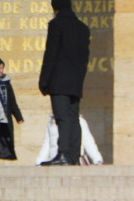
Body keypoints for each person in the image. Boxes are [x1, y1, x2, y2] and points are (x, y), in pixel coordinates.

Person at [38, 0, 89, 166]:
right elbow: (85, 59)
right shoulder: (82, 28)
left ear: (55, 9)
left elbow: (51, 53)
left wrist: (44, 80)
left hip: (59, 80)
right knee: (73, 118)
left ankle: (63, 154)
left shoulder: (56, 24)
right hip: (75, 81)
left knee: (63, 118)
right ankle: (73, 156)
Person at [36, 113, 102, 165]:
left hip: (75, 160)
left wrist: (97, 159)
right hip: (55, 161)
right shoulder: (51, 123)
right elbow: (46, 145)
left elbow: (88, 142)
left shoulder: (79, 121)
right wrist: (39, 162)